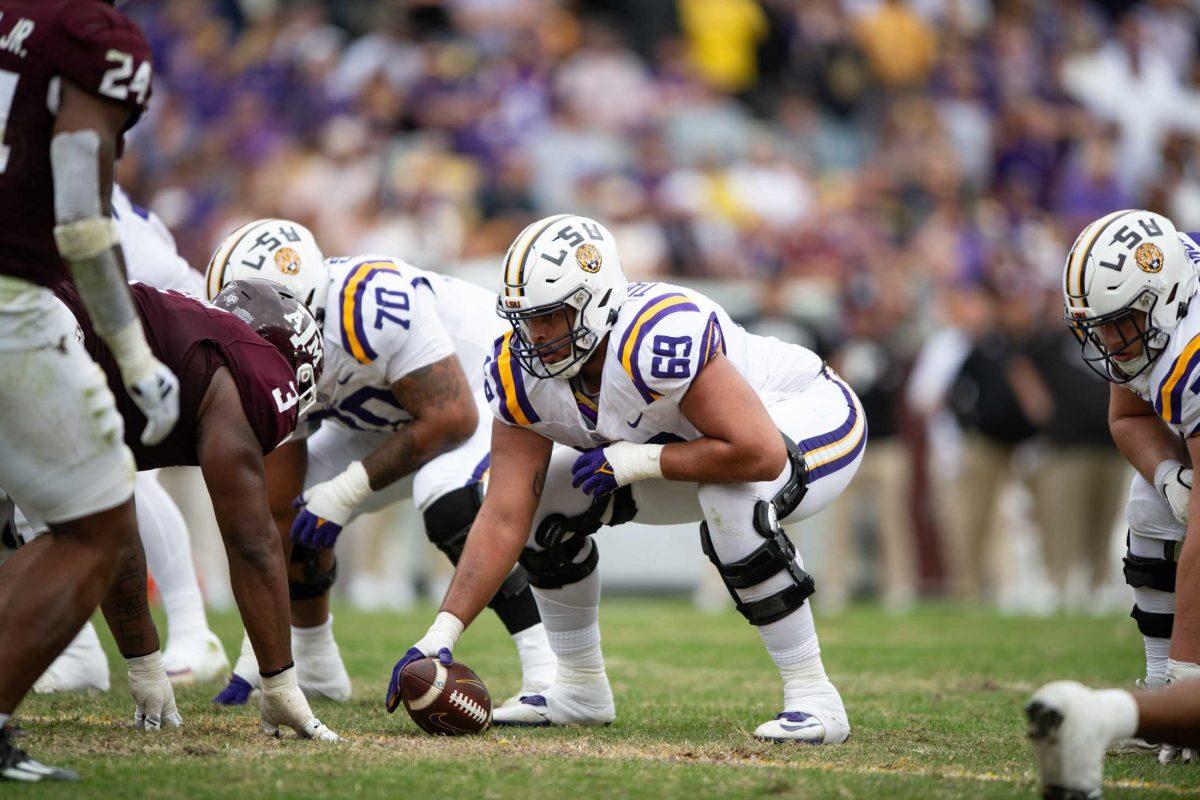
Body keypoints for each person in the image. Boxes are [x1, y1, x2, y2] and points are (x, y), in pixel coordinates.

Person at [388, 214, 866, 741]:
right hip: (692, 451)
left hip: (803, 415)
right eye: (525, 317)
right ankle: (578, 687)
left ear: (593, 301)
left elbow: (759, 454)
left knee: (733, 499)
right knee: (540, 504)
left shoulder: (655, 336)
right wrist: (441, 633)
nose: (535, 333)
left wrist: (636, 462)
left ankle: (815, 698)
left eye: (550, 316)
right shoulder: (518, 372)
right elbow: (503, 514)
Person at [204, 219, 555, 706]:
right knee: (292, 508)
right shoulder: (285, 336)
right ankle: (313, 664)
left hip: (482, 391)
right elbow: (277, 509)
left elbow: (451, 418)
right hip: (387, 419)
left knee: (445, 495)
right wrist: (257, 651)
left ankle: (545, 667)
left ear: (301, 300)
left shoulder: (369, 304)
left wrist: (347, 492)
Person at [0, 0, 180, 781]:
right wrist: (135, 355)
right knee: (100, 519)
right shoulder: (92, 37)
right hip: (9, 296)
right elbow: (80, 217)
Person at [23, 185, 224, 695]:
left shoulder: (61, 180)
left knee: (108, 476)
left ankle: (189, 628)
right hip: (105, 313)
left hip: (147, 315)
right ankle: (84, 645)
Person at [1029, 208, 1200, 793]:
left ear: (1164, 295)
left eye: (1118, 322)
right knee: (1152, 500)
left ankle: (1175, 686)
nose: (1106, 340)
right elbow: (1127, 416)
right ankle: (1157, 688)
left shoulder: (1190, 348)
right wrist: (1171, 477)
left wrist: (1191, 670)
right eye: (1096, 325)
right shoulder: (1155, 311)